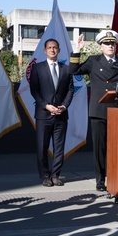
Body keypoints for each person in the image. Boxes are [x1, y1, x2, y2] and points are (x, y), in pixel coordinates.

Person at [71, 30, 118, 192]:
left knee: (117, 147)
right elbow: (73, 70)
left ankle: (117, 177)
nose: (110, 46)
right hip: (99, 111)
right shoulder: (93, 61)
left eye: (112, 43)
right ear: (101, 46)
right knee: (100, 148)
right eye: (106, 43)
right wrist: (77, 50)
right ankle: (100, 180)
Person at [31, 38, 75, 186]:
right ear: (45, 50)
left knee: (59, 147)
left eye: (55, 47)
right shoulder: (37, 68)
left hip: (61, 115)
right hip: (44, 115)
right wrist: (46, 106)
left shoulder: (66, 69)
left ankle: (56, 175)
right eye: (49, 47)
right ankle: (45, 176)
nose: (52, 50)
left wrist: (64, 106)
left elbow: (70, 90)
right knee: (42, 147)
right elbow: (34, 90)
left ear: (59, 50)